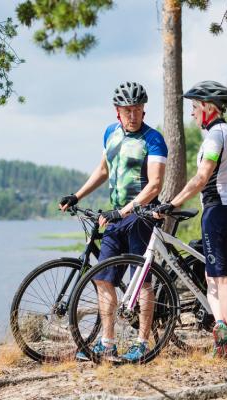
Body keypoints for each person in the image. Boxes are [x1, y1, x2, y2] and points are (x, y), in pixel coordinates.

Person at [155, 80, 227, 359]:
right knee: (212, 277)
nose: (192, 113)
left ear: (208, 108)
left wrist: (173, 202)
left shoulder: (215, 136)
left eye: (194, 107)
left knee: (224, 280)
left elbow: (202, 177)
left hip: (218, 212)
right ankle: (222, 332)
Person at [59, 82, 168, 362]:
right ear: (117, 111)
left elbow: (155, 184)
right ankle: (107, 343)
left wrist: (128, 210)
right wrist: (77, 195)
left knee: (141, 282)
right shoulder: (111, 132)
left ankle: (142, 343)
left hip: (142, 217)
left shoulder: (153, 139)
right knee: (102, 278)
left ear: (144, 110)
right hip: (117, 216)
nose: (132, 115)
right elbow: (104, 169)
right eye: (127, 110)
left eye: (137, 109)